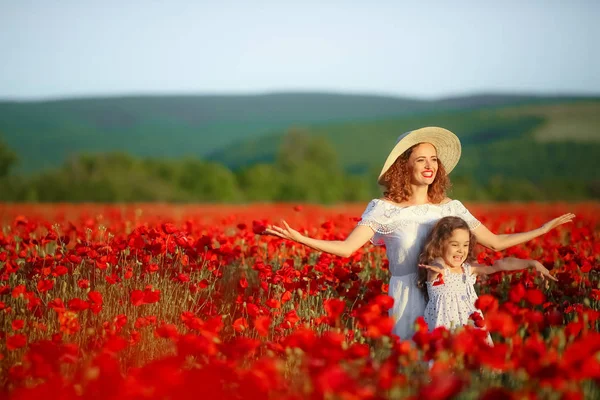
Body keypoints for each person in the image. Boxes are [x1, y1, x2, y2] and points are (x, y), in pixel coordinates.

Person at [264, 127, 574, 340]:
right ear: (404, 166)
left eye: (434, 159)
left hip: (449, 297)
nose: (430, 166)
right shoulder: (384, 208)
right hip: (406, 298)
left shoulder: (451, 207)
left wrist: (543, 229)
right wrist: (299, 239)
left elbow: (495, 243)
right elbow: (347, 249)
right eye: (421, 159)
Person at [417, 216, 557, 344]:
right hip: (446, 330)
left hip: (471, 327)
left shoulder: (468, 269)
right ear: (440, 245)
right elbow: (437, 263)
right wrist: (438, 268)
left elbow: (500, 264)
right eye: (454, 245)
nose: (461, 250)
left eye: (465, 245)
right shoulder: (436, 269)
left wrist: (532, 263)